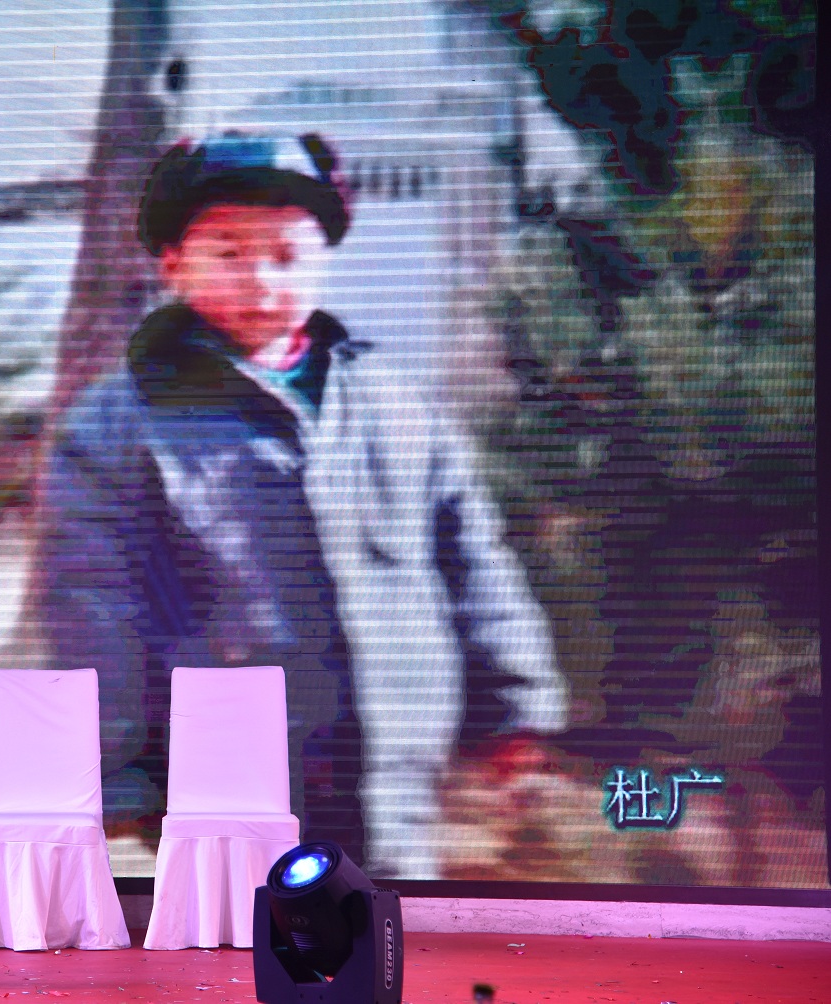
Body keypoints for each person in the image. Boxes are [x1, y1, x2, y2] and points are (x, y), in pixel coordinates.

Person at [36, 133, 567, 879]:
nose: (260, 279)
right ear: (172, 265)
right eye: (228, 253)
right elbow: (93, 604)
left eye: (287, 255)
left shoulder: (396, 408)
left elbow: (472, 555)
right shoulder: (116, 425)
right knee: (242, 936)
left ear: (325, 261)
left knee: (389, 929)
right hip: (224, 779)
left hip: (395, 772)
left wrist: (513, 702)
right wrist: (117, 771)